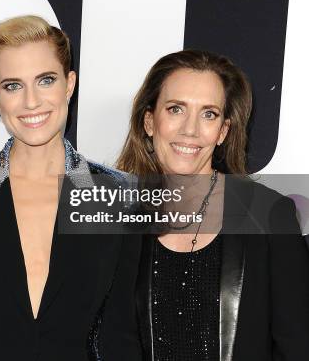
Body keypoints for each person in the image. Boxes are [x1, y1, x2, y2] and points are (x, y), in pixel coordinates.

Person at [0, 15, 141, 360]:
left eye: (45, 80)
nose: (31, 101)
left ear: (69, 84)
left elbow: (125, 329)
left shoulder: (118, 193)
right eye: (13, 86)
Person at [116, 50, 309, 360]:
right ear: (149, 121)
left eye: (209, 114)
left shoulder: (268, 216)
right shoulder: (120, 219)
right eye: (176, 109)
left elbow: (298, 345)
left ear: (223, 131)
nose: (190, 130)